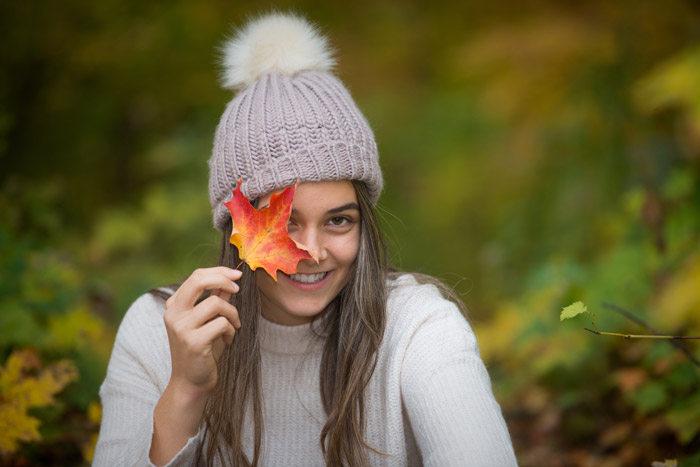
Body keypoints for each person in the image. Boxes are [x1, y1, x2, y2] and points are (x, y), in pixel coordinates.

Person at [93, 12, 518, 467]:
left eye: (339, 221)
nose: (313, 252)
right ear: (235, 226)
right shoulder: (158, 330)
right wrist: (187, 389)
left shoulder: (417, 328)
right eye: (286, 222)